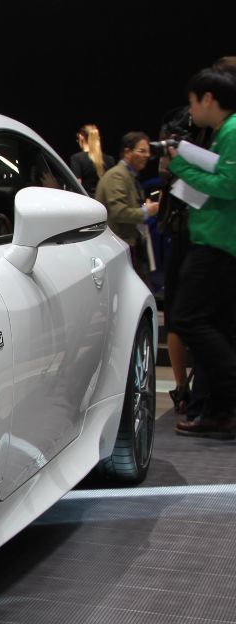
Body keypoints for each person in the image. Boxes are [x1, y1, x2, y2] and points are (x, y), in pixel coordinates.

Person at [168, 68, 236, 438]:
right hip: (218, 242)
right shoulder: (226, 133)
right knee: (218, 325)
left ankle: (226, 399)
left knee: (187, 319)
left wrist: (180, 165)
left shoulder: (233, 131)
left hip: (218, 244)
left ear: (208, 98)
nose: (191, 110)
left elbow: (228, 185)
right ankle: (220, 412)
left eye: (194, 101)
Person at [95, 131, 159, 286]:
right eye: (142, 151)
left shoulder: (129, 176)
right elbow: (119, 212)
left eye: (148, 152)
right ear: (127, 152)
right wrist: (147, 211)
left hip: (127, 245)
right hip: (118, 247)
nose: (146, 156)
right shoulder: (117, 176)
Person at [69, 124, 115, 197]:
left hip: (88, 203)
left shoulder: (77, 158)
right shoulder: (110, 160)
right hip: (105, 204)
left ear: (81, 136)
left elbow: (77, 186)